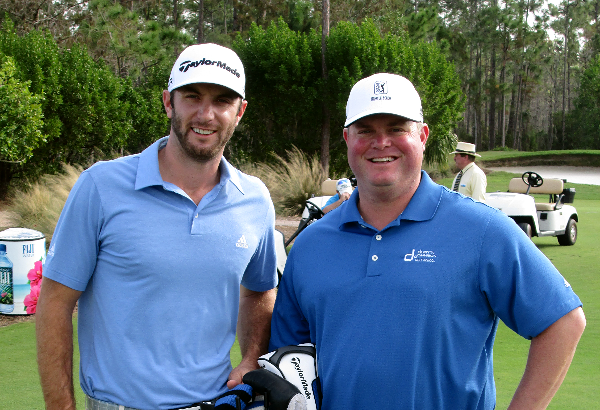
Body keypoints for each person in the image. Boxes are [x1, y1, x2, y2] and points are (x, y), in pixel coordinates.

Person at [269, 73, 586, 409]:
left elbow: (563, 322)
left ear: (422, 135)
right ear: (347, 138)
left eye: (396, 129)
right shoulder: (310, 245)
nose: (381, 142)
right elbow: (287, 360)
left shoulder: (482, 229)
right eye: (366, 131)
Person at [36, 43, 279, 410]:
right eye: (192, 96)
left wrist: (251, 357)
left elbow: (258, 292)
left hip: (214, 403)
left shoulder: (255, 199)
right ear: (168, 102)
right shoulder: (101, 186)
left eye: (222, 100)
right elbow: (54, 303)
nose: (206, 114)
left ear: (240, 111)